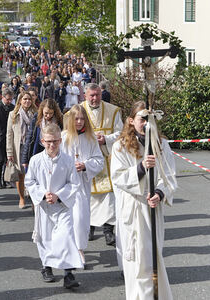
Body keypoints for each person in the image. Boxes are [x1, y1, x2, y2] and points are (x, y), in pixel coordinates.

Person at [111, 101, 177, 300]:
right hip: (132, 207)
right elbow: (118, 176)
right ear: (131, 121)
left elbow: (169, 175)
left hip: (152, 209)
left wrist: (159, 192)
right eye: (142, 119)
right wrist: (141, 168)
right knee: (135, 264)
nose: (146, 123)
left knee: (151, 259)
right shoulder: (120, 146)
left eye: (150, 119)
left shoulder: (161, 145)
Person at [24, 123, 83, 288]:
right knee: (46, 238)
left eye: (55, 141)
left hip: (62, 207)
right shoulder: (35, 160)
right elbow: (30, 181)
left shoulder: (68, 160)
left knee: (65, 237)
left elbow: (74, 183)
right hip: (44, 207)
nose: (52, 145)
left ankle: (68, 273)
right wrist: (43, 194)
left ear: (60, 141)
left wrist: (59, 195)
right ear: (42, 141)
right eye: (48, 141)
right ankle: (47, 266)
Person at [81, 83, 123, 246]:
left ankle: (108, 231)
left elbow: (121, 133)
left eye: (97, 95)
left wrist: (106, 139)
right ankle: (89, 228)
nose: (95, 98)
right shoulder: (77, 111)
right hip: (87, 160)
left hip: (107, 159)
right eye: (91, 95)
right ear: (85, 95)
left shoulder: (113, 111)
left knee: (108, 198)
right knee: (88, 197)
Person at [61, 105, 104, 265]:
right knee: (66, 219)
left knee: (80, 218)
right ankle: (67, 249)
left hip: (81, 185)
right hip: (65, 185)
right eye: (76, 118)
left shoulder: (90, 138)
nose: (79, 122)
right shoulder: (64, 137)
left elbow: (99, 161)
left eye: (82, 118)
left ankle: (79, 249)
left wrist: (85, 165)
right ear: (71, 119)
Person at [6, 91, 37, 208]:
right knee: (20, 174)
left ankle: (34, 201)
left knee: (34, 174)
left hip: (32, 146)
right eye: (25, 99)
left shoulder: (36, 113)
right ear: (20, 101)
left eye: (29, 99)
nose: (27, 101)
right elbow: (9, 134)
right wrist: (9, 152)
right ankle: (22, 198)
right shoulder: (13, 114)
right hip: (19, 146)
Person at [21, 98, 63, 167]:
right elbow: (29, 138)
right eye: (46, 113)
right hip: (39, 148)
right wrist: (25, 159)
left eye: (51, 113)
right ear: (42, 110)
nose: (48, 116)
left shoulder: (59, 120)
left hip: (54, 150)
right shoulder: (37, 119)